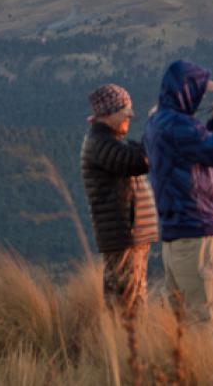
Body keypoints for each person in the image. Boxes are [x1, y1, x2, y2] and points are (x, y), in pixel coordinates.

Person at [143, 60, 213, 346]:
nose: (201, 96)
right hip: (197, 236)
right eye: (199, 91)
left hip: (176, 238)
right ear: (186, 91)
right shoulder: (179, 126)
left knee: (184, 324)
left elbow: (192, 150)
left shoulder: (158, 122)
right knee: (206, 320)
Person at [80, 83, 158, 315]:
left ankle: (128, 347)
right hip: (125, 239)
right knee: (126, 308)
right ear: (109, 115)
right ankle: (124, 348)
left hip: (129, 238)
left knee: (131, 304)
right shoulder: (101, 144)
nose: (129, 119)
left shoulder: (107, 142)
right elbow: (138, 161)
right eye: (126, 114)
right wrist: (154, 128)